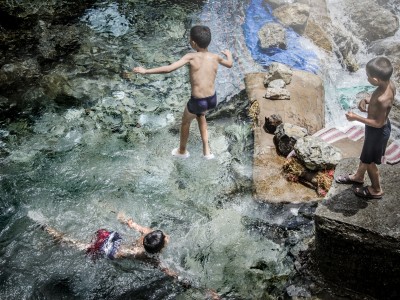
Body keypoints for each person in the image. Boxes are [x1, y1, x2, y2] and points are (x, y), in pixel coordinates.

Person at [131, 25, 233, 159]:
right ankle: (206, 151)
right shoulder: (215, 57)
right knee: (201, 116)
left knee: (185, 122)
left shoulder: (191, 57)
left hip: (198, 101)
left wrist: (146, 71)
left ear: (193, 43)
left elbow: (168, 69)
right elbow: (230, 64)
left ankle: (182, 151)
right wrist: (229, 55)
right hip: (212, 99)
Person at [40, 212, 176, 278]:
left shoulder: (148, 234)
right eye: (165, 238)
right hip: (112, 250)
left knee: (80, 244)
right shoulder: (151, 258)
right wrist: (181, 280)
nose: (167, 236)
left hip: (112, 237)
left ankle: (53, 233)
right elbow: (167, 271)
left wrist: (121, 217)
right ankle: (57, 237)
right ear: (160, 247)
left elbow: (132, 224)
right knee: (80, 246)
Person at [335, 56, 396, 199]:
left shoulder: (383, 99)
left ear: (375, 80)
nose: (367, 78)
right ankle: (358, 176)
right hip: (376, 131)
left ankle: (376, 189)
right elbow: (378, 99)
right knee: (366, 156)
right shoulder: (389, 84)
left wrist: (355, 117)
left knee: (370, 163)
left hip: (378, 132)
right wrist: (366, 100)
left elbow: (378, 123)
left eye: (368, 76)